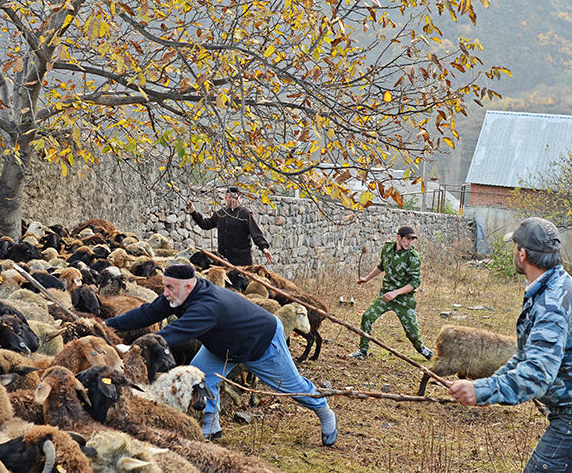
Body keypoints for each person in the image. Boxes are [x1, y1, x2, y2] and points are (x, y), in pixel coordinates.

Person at [105, 263, 338, 446]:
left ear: (188, 286)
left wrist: (133, 347)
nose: (165, 293)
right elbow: (147, 313)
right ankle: (211, 426)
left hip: (261, 343)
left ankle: (324, 411)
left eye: (169, 288)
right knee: (202, 379)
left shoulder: (206, 307)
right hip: (224, 345)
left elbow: (169, 335)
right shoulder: (180, 295)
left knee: (292, 388)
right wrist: (108, 325)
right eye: (164, 286)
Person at [449, 217, 572, 472]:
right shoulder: (553, 286)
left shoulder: (552, 305)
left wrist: (482, 390)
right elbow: (526, 356)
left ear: (522, 254)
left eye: (514, 246)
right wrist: (487, 389)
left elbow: (537, 375)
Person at [349, 226, 433, 361]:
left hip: (404, 300)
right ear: (399, 237)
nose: (409, 243)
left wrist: (396, 293)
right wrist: (366, 279)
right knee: (367, 316)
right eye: (407, 239)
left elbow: (415, 282)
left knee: (412, 333)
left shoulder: (413, 257)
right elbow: (382, 266)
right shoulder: (388, 248)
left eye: (411, 240)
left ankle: (422, 349)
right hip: (386, 296)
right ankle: (363, 350)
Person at [186, 186, 272, 266]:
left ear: (239, 199)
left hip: (242, 262)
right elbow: (206, 225)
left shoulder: (245, 214)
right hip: (223, 260)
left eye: (235, 197)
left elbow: (256, 233)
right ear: (226, 198)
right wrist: (193, 212)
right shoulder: (220, 213)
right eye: (230, 197)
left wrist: (264, 248)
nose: (232, 200)